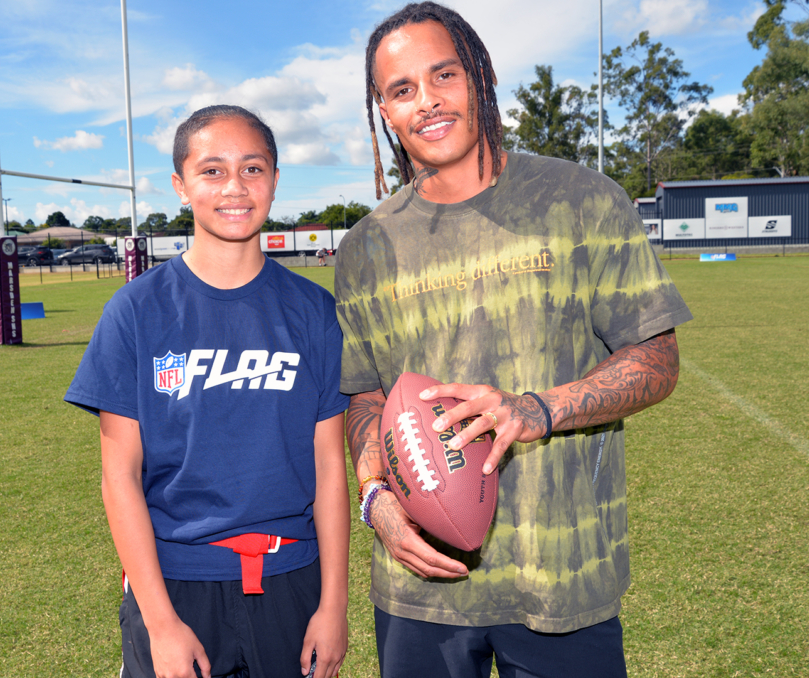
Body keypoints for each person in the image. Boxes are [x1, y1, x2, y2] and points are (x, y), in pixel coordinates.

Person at [334, 4, 694, 677]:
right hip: (421, 589)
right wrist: (375, 498)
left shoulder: (582, 200)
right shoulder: (366, 247)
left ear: (480, 75)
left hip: (563, 576)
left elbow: (657, 359)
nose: (427, 102)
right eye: (401, 89)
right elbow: (365, 396)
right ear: (383, 110)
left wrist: (537, 409)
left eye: (444, 75)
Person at [64, 105, 349, 678]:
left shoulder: (313, 311)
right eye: (213, 171)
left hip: (291, 582)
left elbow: (328, 467)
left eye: (253, 168)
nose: (235, 188)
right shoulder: (137, 311)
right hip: (178, 589)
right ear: (181, 185)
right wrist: (161, 623)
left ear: (273, 179)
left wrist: (334, 604)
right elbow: (119, 475)